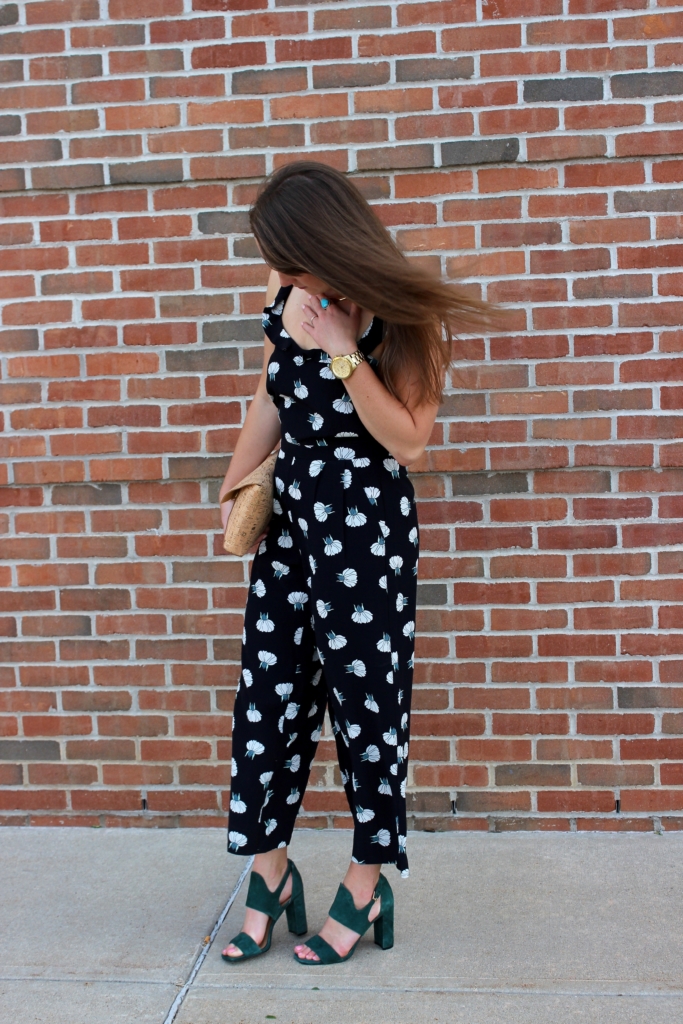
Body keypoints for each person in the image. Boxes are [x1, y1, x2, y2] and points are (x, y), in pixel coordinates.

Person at [218, 161, 496, 965]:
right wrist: (235, 483)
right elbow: (270, 396)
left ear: (321, 243)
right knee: (265, 704)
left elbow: (408, 440)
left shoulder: (405, 318)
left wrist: (343, 349)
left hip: (365, 532)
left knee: (367, 710)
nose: (279, 273)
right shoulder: (288, 301)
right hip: (292, 532)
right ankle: (268, 873)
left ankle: (365, 882)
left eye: (285, 255)